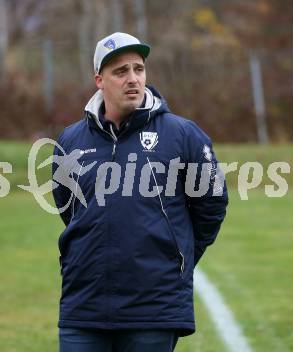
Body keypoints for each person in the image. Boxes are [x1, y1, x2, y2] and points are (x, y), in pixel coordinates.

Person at [52, 32, 228, 352]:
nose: (133, 79)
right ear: (99, 80)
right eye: (121, 72)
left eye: (138, 69)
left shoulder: (183, 135)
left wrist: (177, 255)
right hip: (84, 306)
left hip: (153, 308)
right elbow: (69, 208)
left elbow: (212, 205)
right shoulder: (70, 141)